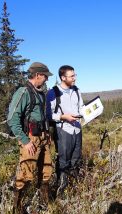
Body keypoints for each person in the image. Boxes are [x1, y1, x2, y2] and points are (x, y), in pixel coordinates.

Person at [7, 62, 53, 214]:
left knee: (46, 170)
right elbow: (12, 119)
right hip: (30, 139)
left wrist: (47, 133)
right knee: (26, 174)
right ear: (38, 75)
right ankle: (17, 213)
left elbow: (41, 116)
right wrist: (25, 141)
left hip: (42, 137)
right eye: (45, 76)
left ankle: (44, 204)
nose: (46, 79)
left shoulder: (40, 92)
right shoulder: (23, 92)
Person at [46, 65, 84, 195]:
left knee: (76, 158)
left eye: (75, 75)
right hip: (63, 131)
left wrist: (90, 112)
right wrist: (63, 117)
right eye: (72, 76)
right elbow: (48, 115)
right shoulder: (53, 92)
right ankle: (61, 189)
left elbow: (82, 107)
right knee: (63, 160)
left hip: (77, 130)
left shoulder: (77, 90)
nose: (74, 78)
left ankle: (75, 187)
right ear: (63, 77)